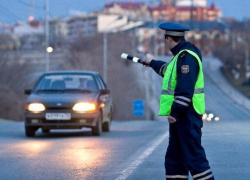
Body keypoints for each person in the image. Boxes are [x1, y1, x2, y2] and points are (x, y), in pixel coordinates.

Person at [141, 22, 214, 180]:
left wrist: (175, 112)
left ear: (168, 38)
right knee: (175, 159)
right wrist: (152, 63)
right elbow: (169, 71)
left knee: (194, 157)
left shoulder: (186, 56)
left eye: (165, 39)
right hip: (183, 116)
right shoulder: (181, 56)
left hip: (187, 115)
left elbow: (185, 88)